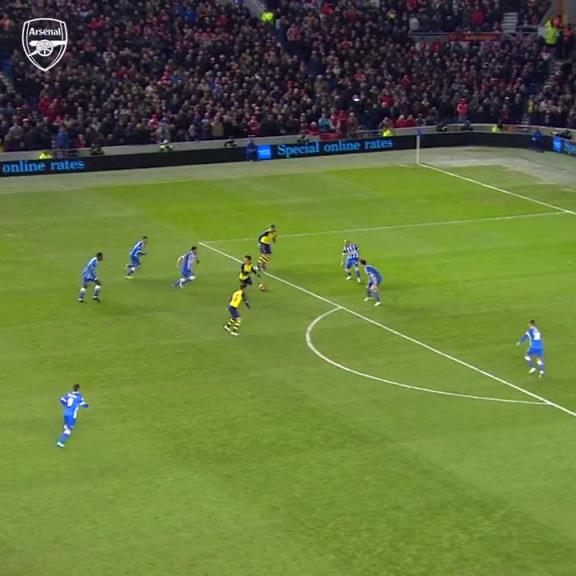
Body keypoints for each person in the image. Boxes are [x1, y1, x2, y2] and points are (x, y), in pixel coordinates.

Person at [57, 384, 89, 448]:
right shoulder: (79, 397)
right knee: (69, 429)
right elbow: (83, 405)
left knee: (66, 425)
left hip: (65, 412)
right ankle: (61, 442)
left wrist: (66, 405)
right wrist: (87, 406)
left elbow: (61, 400)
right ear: (78, 389)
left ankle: (65, 431)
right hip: (72, 415)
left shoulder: (68, 394)